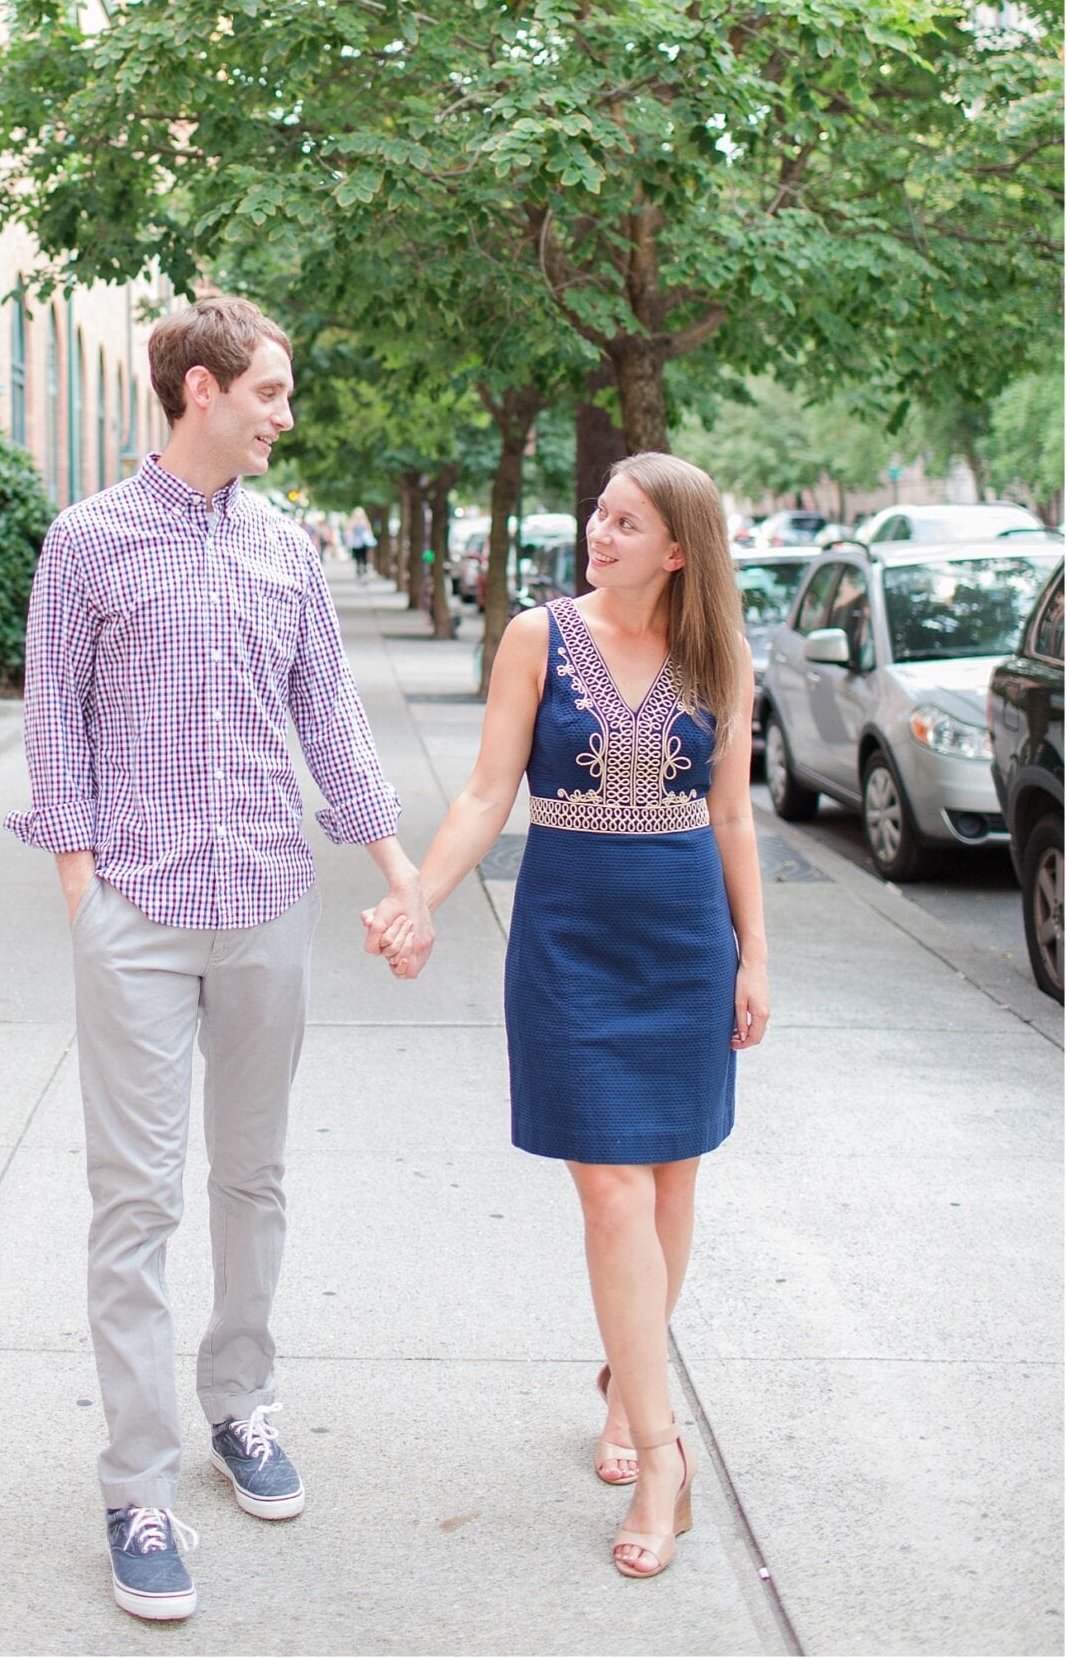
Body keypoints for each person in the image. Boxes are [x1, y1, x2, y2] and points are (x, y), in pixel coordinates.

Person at [13, 293, 429, 1624]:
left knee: (253, 1179)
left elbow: (331, 719)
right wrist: (81, 884)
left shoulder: (287, 551)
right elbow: (52, 720)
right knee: (134, 1206)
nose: (283, 416)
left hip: (262, 903)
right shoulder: (85, 543)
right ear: (199, 389)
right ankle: (135, 1484)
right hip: (132, 912)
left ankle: (240, 1406)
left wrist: (400, 873)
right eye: (268, 393)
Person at [364, 453, 769, 1582]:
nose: (600, 533)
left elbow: (731, 817)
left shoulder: (717, 654)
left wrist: (754, 959)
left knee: (671, 1183)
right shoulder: (536, 637)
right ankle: (658, 1451)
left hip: (685, 940)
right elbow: (488, 790)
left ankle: (620, 1379)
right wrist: (417, 898)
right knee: (608, 1191)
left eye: (626, 522)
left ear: (677, 547)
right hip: (569, 943)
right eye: (598, 514)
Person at [347, 507, 376, 581]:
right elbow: (349, 532)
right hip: (358, 544)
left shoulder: (362, 522)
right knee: (360, 559)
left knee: (361, 559)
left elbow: (369, 531)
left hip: (362, 543)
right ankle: (362, 575)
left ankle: (362, 575)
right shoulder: (359, 522)